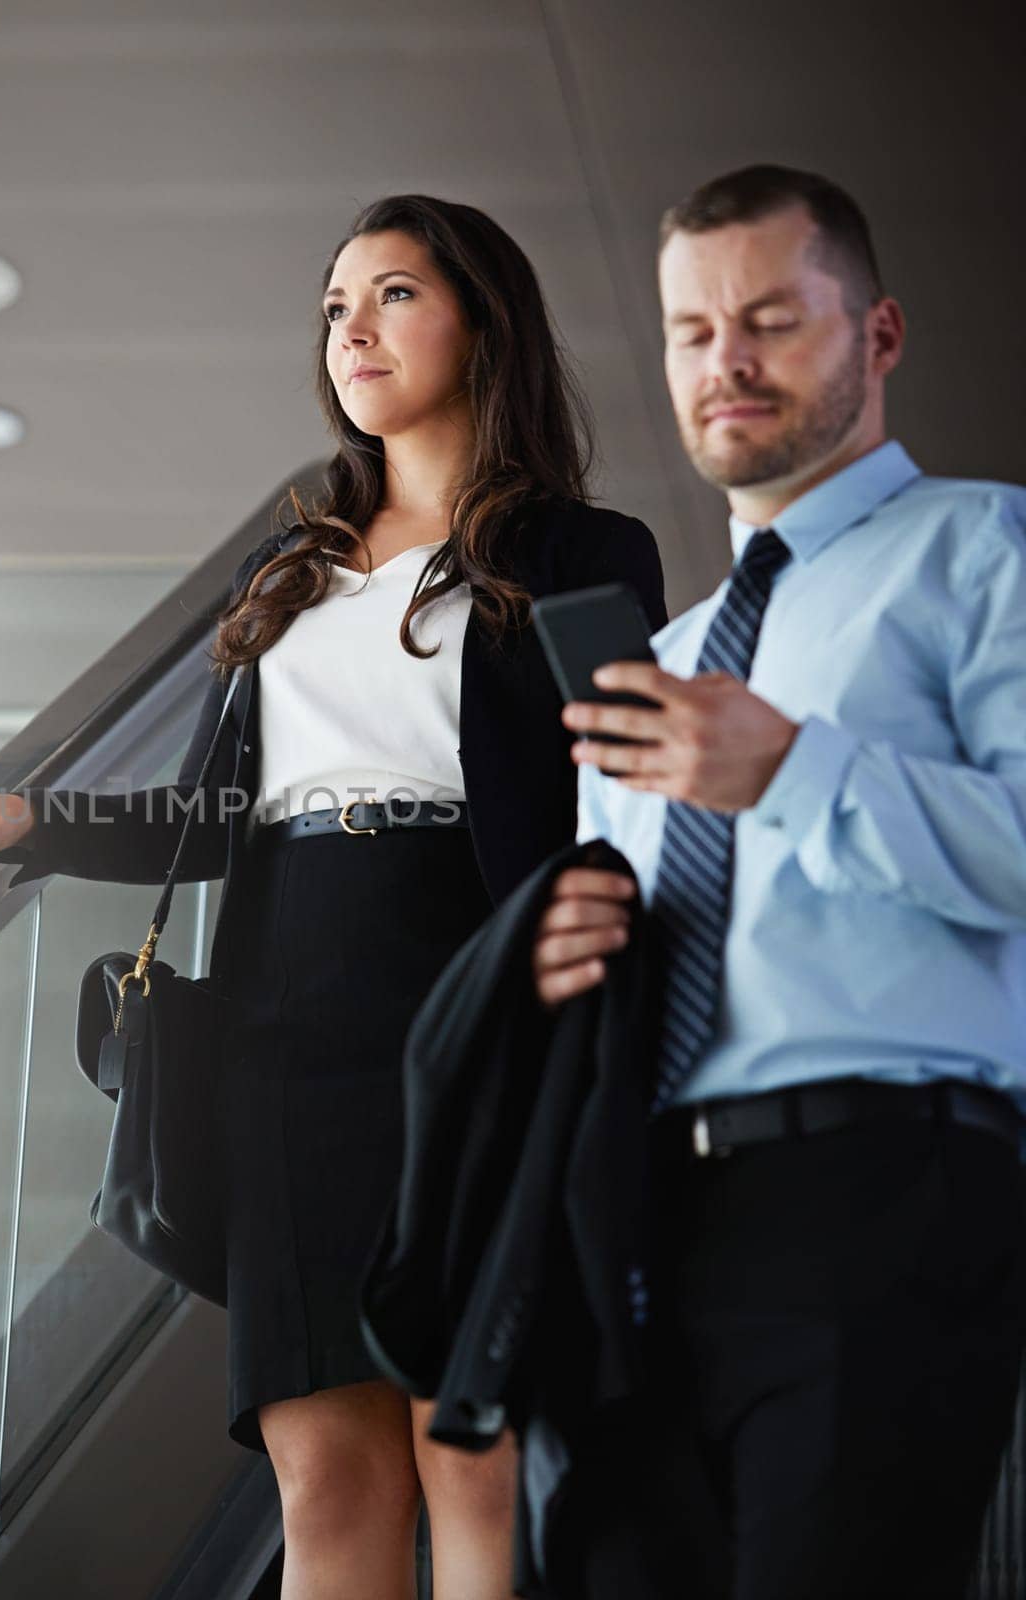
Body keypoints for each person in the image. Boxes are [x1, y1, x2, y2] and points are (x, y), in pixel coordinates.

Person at [0, 193, 665, 1600]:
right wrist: (26, 820)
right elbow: (213, 816)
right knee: (324, 1471)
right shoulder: (288, 571)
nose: (351, 330)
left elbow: (628, 804)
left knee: (467, 1451)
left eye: (396, 296)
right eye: (334, 309)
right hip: (286, 1016)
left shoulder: (579, 553)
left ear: (484, 322)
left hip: (480, 1002)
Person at [533, 163, 1026, 1597]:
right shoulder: (664, 658)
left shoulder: (984, 548)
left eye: (768, 322)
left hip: (881, 1190)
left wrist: (795, 771)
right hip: (639, 1212)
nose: (724, 364)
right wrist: (568, 953)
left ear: (877, 335)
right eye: (692, 331)